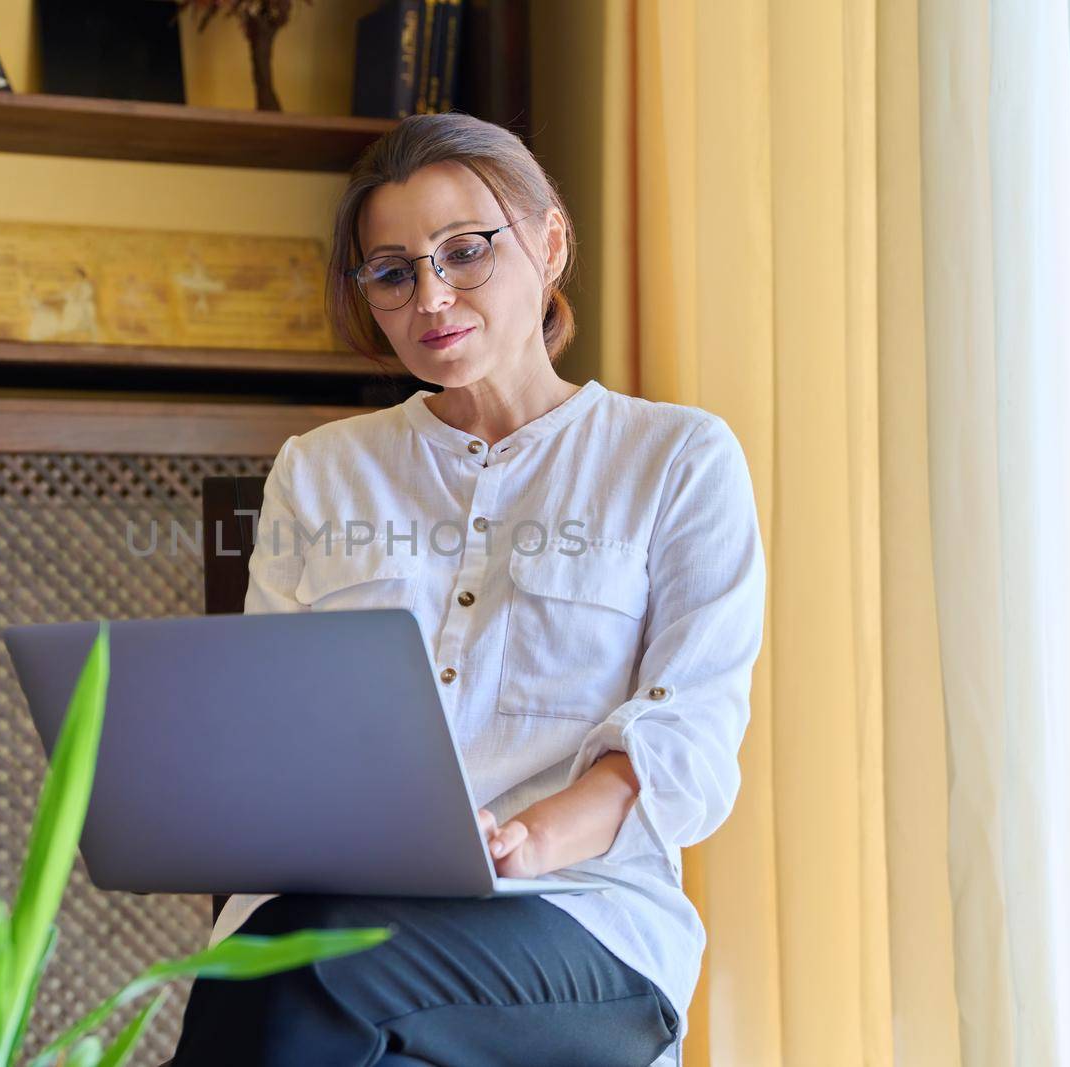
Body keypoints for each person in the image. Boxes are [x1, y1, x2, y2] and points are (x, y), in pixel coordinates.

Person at [168, 112, 765, 1067]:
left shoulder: (677, 459)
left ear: (551, 241)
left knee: (293, 971)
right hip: (341, 931)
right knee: (326, 1002)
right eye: (394, 270)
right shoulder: (319, 471)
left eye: (465, 252)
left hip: (584, 931)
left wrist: (531, 837)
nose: (431, 295)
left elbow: (690, 730)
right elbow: (274, 727)